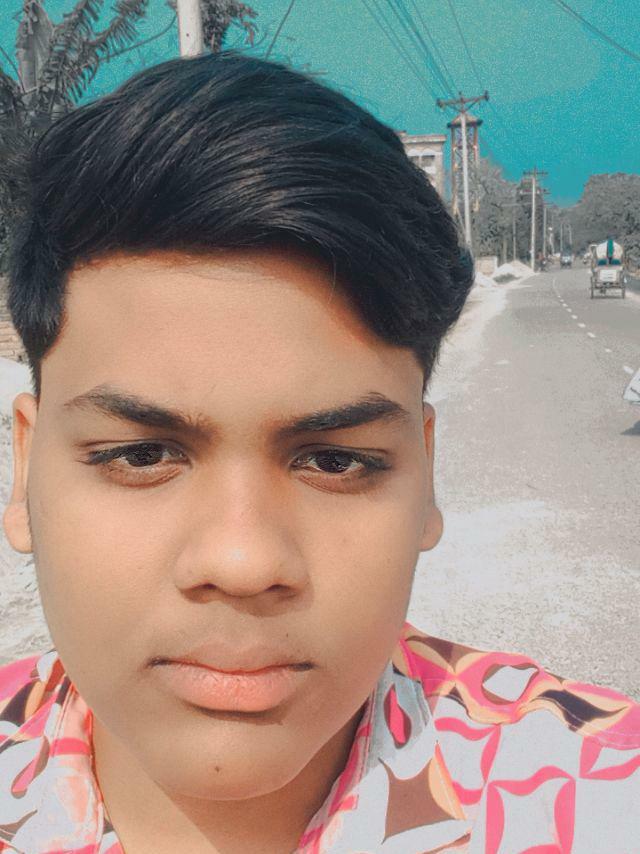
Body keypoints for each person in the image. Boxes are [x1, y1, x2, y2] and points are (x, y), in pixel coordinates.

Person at [0, 52, 638, 854]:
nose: (241, 562)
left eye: (335, 461)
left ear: (425, 477)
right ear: (25, 471)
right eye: (142, 453)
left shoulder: (596, 794)